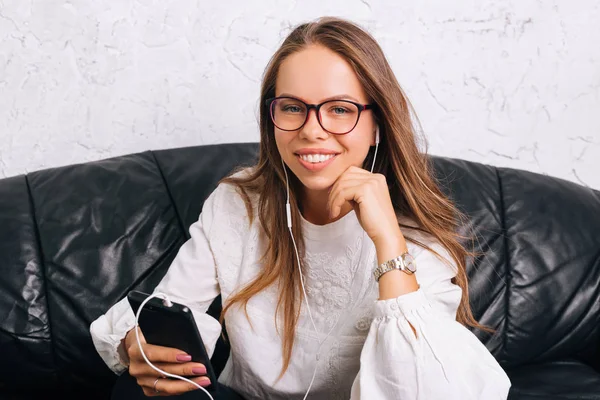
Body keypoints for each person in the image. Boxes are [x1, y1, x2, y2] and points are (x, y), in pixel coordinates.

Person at [90, 16, 511, 399]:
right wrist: (141, 348)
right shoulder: (237, 203)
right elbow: (166, 310)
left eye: (340, 110)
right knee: (135, 392)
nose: (312, 131)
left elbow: (425, 388)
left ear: (377, 124)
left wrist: (387, 240)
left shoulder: (416, 241)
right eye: (292, 107)